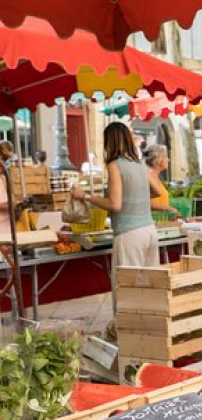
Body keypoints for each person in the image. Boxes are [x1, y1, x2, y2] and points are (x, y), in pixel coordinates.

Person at [71, 122, 158, 308]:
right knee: (150, 288)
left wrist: (85, 196)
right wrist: (137, 195)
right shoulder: (139, 164)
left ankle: (127, 334)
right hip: (149, 230)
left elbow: (115, 204)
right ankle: (149, 332)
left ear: (109, 142)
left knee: (127, 290)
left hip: (129, 234)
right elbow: (157, 191)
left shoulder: (115, 165)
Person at [144, 145, 179, 219]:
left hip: (160, 220)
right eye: (165, 157)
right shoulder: (147, 176)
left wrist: (169, 209)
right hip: (150, 221)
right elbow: (142, 202)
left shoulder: (156, 176)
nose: (168, 160)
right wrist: (167, 208)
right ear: (158, 159)